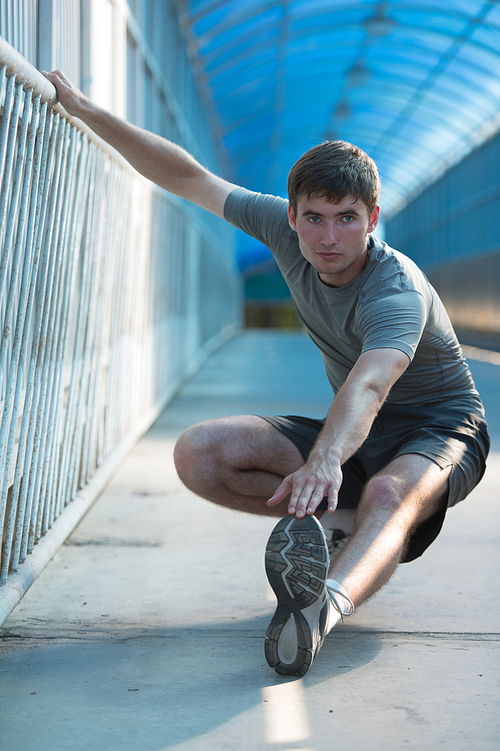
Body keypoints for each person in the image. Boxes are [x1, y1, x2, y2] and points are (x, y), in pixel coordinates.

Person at [45, 69, 490, 677]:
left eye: (346, 218)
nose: (329, 237)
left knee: (391, 492)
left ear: (373, 217)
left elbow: (369, 384)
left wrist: (325, 459)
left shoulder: (396, 290)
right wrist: (86, 110)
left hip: (439, 430)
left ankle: (320, 608)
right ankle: (347, 525)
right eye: (314, 218)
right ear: (292, 216)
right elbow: (189, 177)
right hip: (359, 435)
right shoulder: (278, 229)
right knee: (200, 452)